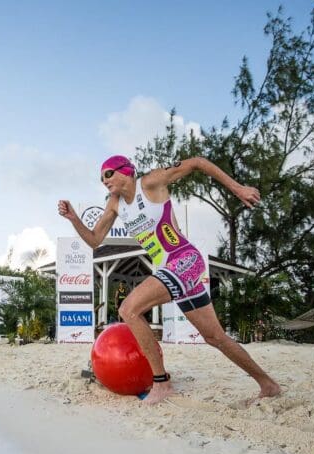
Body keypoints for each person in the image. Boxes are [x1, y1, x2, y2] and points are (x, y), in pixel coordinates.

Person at [58, 155, 281, 405]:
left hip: (185, 259)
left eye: (108, 174)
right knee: (215, 337)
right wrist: (74, 218)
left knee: (128, 309)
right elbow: (94, 240)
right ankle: (268, 384)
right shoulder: (114, 203)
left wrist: (237, 188)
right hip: (172, 268)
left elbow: (196, 162)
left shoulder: (151, 182)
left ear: (126, 171)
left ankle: (161, 383)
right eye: (101, 178)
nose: (104, 181)